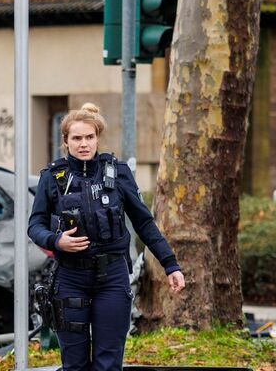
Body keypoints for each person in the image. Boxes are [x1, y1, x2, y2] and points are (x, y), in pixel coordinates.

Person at [28, 103, 186, 371]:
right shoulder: (52, 177)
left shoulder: (118, 172)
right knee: (74, 365)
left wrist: (170, 265)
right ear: (65, 141)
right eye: (76, 138)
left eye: (89, 137)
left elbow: (144, 223)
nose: (84, 144)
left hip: (111, 278)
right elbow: (35, 225)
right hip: (70, 279)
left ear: (97, 138)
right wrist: (56, 242)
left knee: (108, 364)